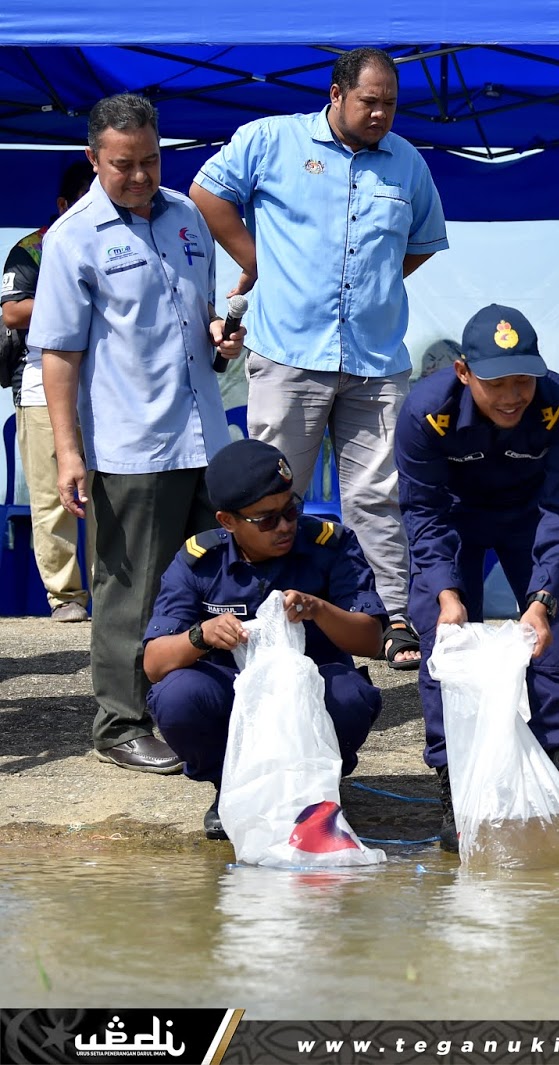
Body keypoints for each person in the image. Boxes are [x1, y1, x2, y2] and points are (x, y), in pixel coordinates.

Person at [190, 46, 449, 671]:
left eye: (390, 103)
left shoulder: (408, 162)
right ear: (335, 94)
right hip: (288, 353)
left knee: (381, 493)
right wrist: (257, 263)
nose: (381, 113)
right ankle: (257, 613)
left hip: (376, 359)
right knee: (271, 495)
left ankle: (390, 618)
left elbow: (420, 246)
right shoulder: (269, 140)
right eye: (369, 101)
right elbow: (206, 194)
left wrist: (374, 286)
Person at [29, 93, 243, 774]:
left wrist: (218, 338)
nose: (141, 176)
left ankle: (195, 709)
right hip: (131, 444)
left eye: (151, 160)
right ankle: (121, 723)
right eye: (124, 165)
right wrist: (69, 451)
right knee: (133, 587)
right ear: (94, 160)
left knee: (212, 579)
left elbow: (197, 318)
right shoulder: (73, 239)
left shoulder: (186, 218)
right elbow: (59, 353)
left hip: (205, 436)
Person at [395, 304, 559, 850]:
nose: (514, 395)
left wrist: (541, 601)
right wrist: (445, 593)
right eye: (498, 382)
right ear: (465, 372)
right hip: (455, 521)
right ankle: (455, 791)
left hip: (532, 519)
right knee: (445, 649)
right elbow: (423, 511)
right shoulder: (426, 412)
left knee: (555, 646)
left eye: (524, 379)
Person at [143, 439, 385, 838]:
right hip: (231, 694)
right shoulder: (199, 562)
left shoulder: (331, 545)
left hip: (311, 689)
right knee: (177, 696)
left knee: (350, 695)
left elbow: (371, 640)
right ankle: (229, 786)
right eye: (267, 519)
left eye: (291, 509)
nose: (286, 525)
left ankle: (316, 785)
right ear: (227, 521)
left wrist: (320, 610)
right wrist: (200, 636)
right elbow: (154, 663)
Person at [1, 160, 96, 622]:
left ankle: (110, 594)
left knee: (109, 499)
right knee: (49, 498)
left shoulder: (119, 242)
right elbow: (13, 312)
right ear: (63, 205)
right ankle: (66, 598)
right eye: (85, 197)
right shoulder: (31, 248)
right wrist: (81, 298)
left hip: (107, 393)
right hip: (39, 389)